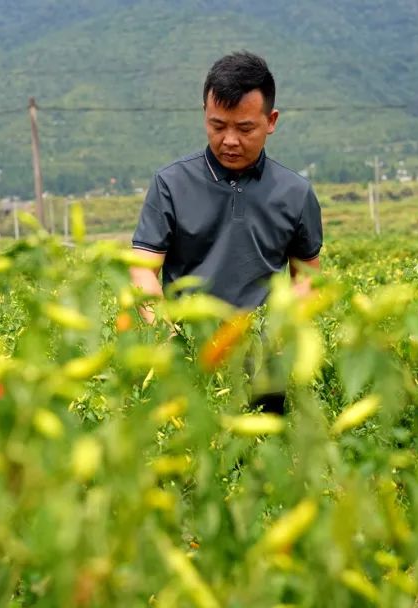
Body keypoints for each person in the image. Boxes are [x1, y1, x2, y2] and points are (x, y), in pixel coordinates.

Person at [129, 51, 323, 413]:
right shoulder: (171, 184)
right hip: (188, 357)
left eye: (244, 128)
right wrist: (168, 336)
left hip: (263, 362)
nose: (230, 140)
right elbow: (142, 268)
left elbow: (307, 276)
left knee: (261, 459)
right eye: (218, 126)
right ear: (204, 114)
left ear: (271, 121)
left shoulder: (295, 193)